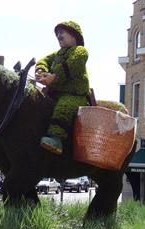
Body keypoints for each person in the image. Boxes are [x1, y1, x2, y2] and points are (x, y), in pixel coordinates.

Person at [35, 21, 90, 155]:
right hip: (55, 93)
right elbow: (43, 60)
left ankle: (56, 140)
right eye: (57, 33)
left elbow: (72, 65)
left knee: (64, 106)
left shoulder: (80, 51)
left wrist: (53, 77)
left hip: (75, 95)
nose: (59, 36)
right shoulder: (57, 54)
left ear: (74, 35)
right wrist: (41, 70)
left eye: (62, 32)